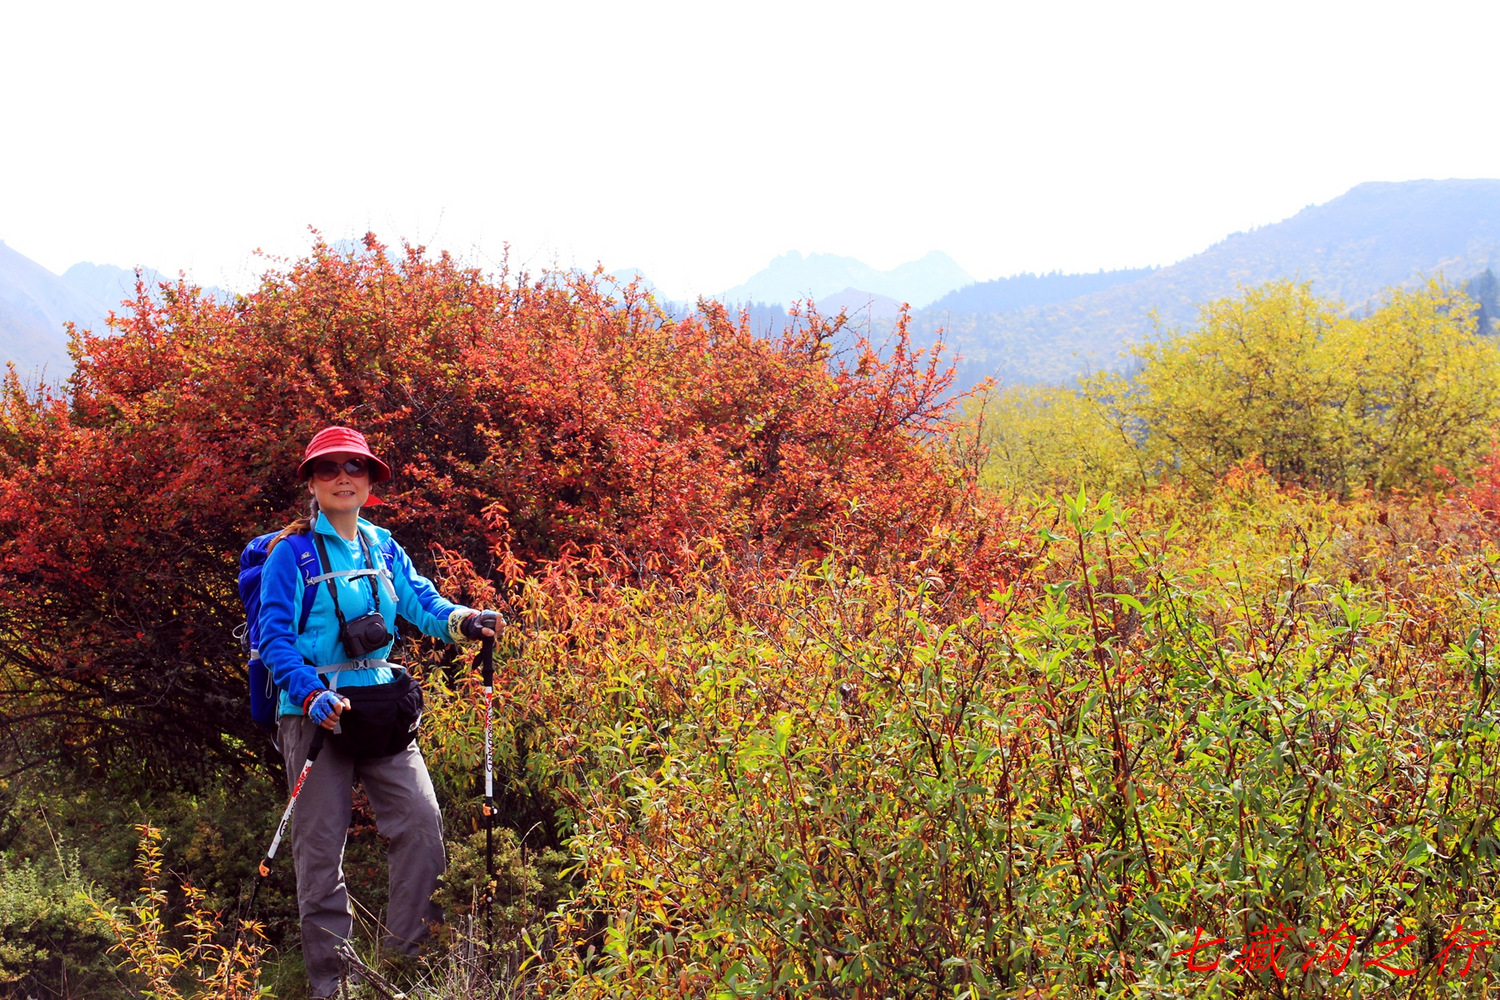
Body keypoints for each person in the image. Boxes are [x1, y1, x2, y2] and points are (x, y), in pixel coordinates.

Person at [258, 425, 500, 997]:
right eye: (329, 468)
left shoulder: (384, 546)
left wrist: (466, 620)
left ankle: (406, 969)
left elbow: (422, 603)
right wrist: (311, 694)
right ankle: (332, 986)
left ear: (369, 481)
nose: (343, 477)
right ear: (312, 484)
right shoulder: (290, 555)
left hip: (381, 707)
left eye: (356, 467)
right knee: (321, 853)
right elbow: (274, 639)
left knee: (420, 826)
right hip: (315, 716)